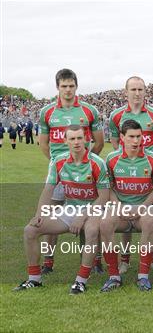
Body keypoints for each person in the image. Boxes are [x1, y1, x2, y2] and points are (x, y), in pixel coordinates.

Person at [13, 125, 110, 294]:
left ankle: (81, 281)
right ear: (65, 141)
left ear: (86, 139)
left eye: (80, 138)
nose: (76, 142)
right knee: (30, 230)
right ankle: (34, 279)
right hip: (70, 209)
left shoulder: (97, 163)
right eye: (72, 139)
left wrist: (82, 217)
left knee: (92, 231)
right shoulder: (59, 161)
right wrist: (39, 215)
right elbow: (48, 189)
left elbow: (103, 197)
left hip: (94, 210)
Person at [38, 68, 104, 274]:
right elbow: (43, 144)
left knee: (90, 213)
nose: (68, 90)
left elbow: (99, 142)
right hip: (59, 172)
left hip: (85, 170)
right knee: (52, 213)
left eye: (71, 86)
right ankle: (48, 260)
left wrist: (83, 162)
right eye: (64, 86)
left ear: (76, 86)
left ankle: (95, 260)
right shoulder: (46, 112)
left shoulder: (89, 111)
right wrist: (61, 166)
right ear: (57, 87)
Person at [108, 76, 153, 274]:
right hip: (126, 168)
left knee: (150, 219)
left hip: (148, 172)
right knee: (125, 211)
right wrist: (126, 159)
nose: (137, 93)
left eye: (140, 89)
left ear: (145, 91)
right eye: (133, 89)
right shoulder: (116, 115)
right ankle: (124, 260)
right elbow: (116, 142)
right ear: (126, 91)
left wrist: (148, 162)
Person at [99, 120, 153, 292]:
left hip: (144, 208)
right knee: (105, 223)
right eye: (131, 137)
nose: (135, 141)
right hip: (121, 209)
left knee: (149, 221)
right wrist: (118, 206)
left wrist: (143, 207)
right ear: (122, 138)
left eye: (138, 137)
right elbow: (109, 187)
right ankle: (114, 276)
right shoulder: (111, 159)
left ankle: (143, 276)